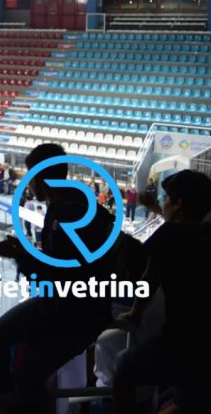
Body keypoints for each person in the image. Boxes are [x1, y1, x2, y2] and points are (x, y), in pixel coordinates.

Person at [0, 143, 117, 414]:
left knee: (15, 362)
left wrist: (19, 255)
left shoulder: (69, 214)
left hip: (75, 314)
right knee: (3, 348)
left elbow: (61, 275)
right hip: (66, 306)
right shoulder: (70, 207)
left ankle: (2, 405)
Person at [113, 170, 211, 414]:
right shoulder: (204, 233)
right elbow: (187, 232)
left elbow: (149, 278)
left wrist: (135, 312)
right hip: (205, 344)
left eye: (166, 199)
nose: (162, 203)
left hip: (182, 343)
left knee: (123, 365)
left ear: (179, 204)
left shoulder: (168, 236)